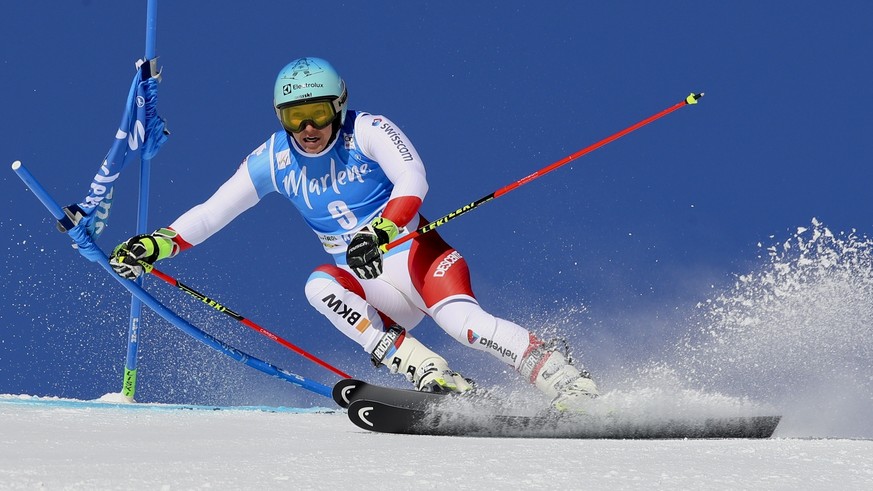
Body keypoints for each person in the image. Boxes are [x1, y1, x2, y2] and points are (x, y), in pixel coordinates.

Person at [109, 56, 598, 410]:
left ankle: (564, 379)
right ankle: (430, 372)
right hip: (367, 283)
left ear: (338, 106)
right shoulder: (273, 161)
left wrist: (383, 230)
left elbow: (414, 178)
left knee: (465, 327)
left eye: (318, 113)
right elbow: (212, 212)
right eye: (293, 117)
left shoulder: (367, 129)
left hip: (417, 257)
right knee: (319, 286)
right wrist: (157, 244)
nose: (307, 128)